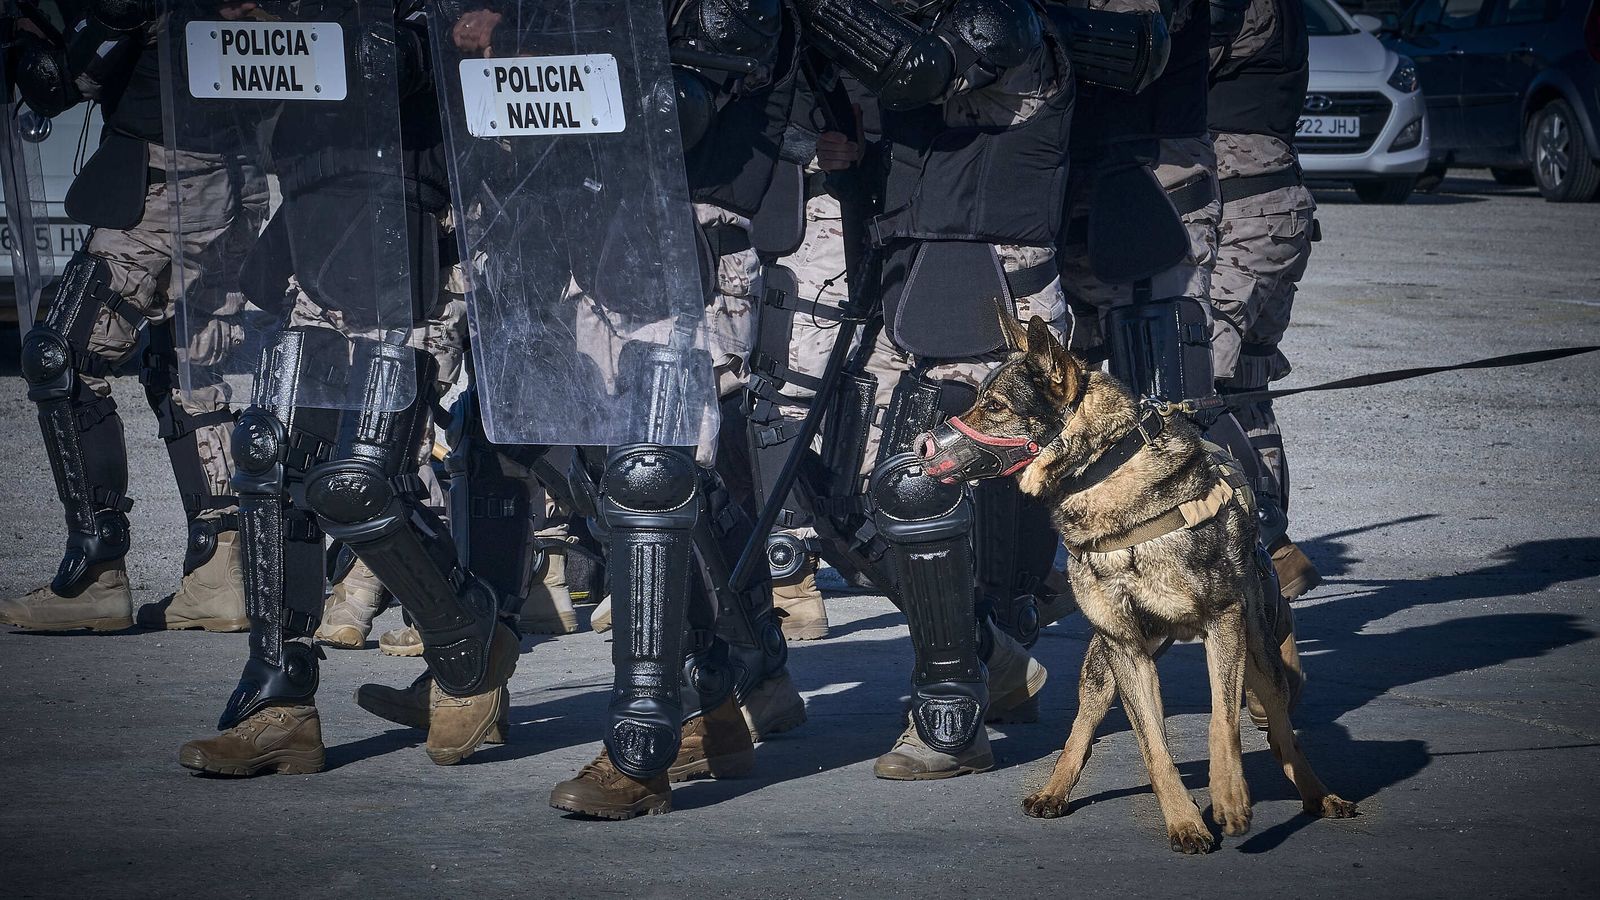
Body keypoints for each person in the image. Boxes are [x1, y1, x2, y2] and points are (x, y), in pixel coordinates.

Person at [172, 0, 518, 777]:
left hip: (422, 229)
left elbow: (445, 53)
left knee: (361, 481)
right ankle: (280, 705)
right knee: (273, 463)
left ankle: (468, 646)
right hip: (316, 219)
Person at [790, 0, 1070, 778]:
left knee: (919, 493)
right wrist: (843, 147)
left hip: (992, 294)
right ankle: (992, 658)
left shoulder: (1003, 20)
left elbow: (916, 68)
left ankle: (951, 718)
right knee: (844, 498)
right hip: (912, 280)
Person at [3, 0, 256, 634]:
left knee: (64, 356)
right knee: (192, 365)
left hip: (163, 173)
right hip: (234, 168)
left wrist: (32, 41)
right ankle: (220, 576)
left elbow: (65, 81)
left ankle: (95, 574)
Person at [1207, 0, 1323, 603]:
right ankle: (1273, 552)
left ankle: (1267, 547)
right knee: (1246, 389)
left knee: (1197, 382)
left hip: (1240, 213)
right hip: (1274, 209)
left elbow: (1157, 66)